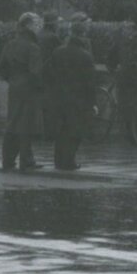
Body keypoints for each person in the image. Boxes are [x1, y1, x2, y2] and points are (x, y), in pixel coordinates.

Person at [45, 22, 97, 172]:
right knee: (75, 131)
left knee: (61, 130)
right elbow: (90, 82)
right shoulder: (86, 56)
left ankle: (58, 161)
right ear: (83, 35)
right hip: (78, 99)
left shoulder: (58, 51)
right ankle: (69, 161)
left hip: (59, 97)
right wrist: (92, 103)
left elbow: (48, 72)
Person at [0, 12, 46, 171]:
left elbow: (1, 67)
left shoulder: (10, 44)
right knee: (26, 125)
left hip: (15, 86)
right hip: (29, 89)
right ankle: (26, 159)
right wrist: (40, 87)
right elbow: (36, 72)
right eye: (36, 24)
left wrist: (12, 79)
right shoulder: (32, 46)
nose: (39, 27)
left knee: (12, 122)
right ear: (28, 26)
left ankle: (8, 159)